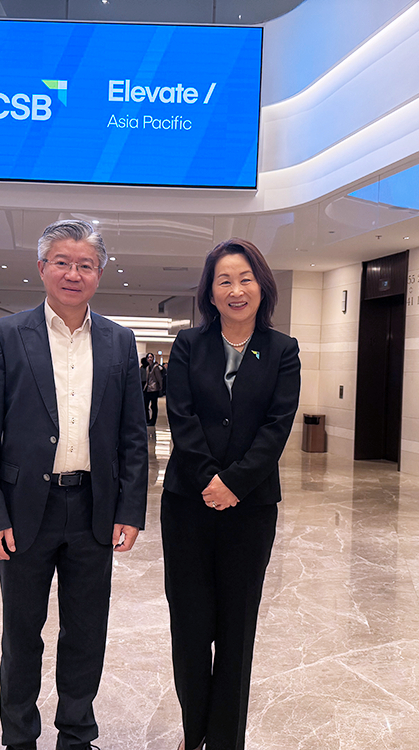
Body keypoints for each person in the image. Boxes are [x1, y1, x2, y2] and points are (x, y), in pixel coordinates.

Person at [0, 219, 148, 750]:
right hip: (25, 513)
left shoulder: (120, 340)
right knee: (22, 634)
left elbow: (133, 436)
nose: (74, 273)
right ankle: (18, 737)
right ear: (42, 268)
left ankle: (77, 734)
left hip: (94, 507)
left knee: (86, 631)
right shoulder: (4, 336)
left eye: (85, 264)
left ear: (100, 272)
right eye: (63, 263)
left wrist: (130, 509)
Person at [161, 239, 301, 750]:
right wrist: (208, 481)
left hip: (251, 508)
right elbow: (182, 417)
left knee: (237, 626)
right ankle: (192, 732)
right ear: (210, 292)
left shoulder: (284, 350)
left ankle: (225, 741)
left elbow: (276, 427)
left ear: (262, 286)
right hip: (187, 505)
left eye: (245, 279)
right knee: (191, 624)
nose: (236, 289)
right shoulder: (187, 345)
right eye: (225, 280)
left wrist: (235, 483)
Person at [143, 351, 163, 426]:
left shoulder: (155, 367)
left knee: (153, 406)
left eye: (151, 357)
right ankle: (147, 419)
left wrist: (160, 387)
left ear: (153, 358)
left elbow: (159, 378)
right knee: (146, 405)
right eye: (148, 357)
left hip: (154, 389)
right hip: (148, 388)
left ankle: (153, 421)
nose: (149, 359)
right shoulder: (148, 367)